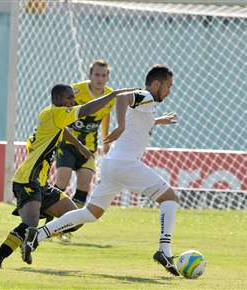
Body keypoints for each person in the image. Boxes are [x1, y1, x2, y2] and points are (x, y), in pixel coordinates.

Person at [26, 65, 181, 276]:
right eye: (168, 86)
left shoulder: (147, 104)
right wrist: (120, 126)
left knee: (90, 214)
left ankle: (39, 235)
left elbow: (139, 122)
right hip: (125, 163)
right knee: (169, 197)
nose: (169, 91)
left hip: (114, 165)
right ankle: (164, 250)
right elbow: (122, 98)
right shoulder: (145, 95)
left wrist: (158, 121)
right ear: (156, 84)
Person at [0, 83, 135, 266]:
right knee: (29, 224)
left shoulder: (51, 114)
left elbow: (63, 130)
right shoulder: (56, 113)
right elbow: (86, 109)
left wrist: (79, 145)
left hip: (42, 183)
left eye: (72, 98)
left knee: (75, 218)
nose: (72, 102)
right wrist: (113, 94)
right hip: (27, 180)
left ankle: (34, 238)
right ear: (58, 99)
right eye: (69, 98)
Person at [48, 60, 116, 242]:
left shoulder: (110, 96)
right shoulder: (75, 91)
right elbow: (60, 111)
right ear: (90, 75)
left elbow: (106, 116)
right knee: (62, 180)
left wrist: (106, 139)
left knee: (85, 183)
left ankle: (67, 227)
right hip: (68, 144)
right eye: (96, 74)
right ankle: (48, 222)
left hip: (89, 148)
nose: (100, 79)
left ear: (108, 77)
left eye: (103, 75)